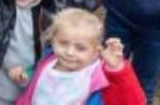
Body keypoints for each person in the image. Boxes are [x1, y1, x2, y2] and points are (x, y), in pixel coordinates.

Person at [15, 9, 146, 105]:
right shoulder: (48, 59)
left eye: (81, 48)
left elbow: (134, 102)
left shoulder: (98, 77)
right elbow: (37, 83)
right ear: (53, 40)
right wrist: (25, 76)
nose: (70, 52)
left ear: (96, 51)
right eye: (63, 43)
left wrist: (116, 69)